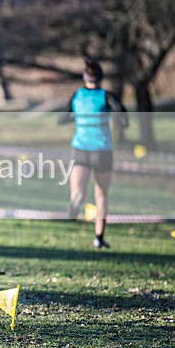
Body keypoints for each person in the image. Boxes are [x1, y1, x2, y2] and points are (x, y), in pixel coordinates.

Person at [58, 59, 128, 249]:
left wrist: (77, 116)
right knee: (102, 195)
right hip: (102, 150)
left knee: (78, 191)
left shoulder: (77, 96)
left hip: (81, 148)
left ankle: (75, 203)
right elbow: (122, 115)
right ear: (100, 78)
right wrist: (120, 122)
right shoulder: (107, 96)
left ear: (85, 78)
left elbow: (62, 119)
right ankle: (99, 236)